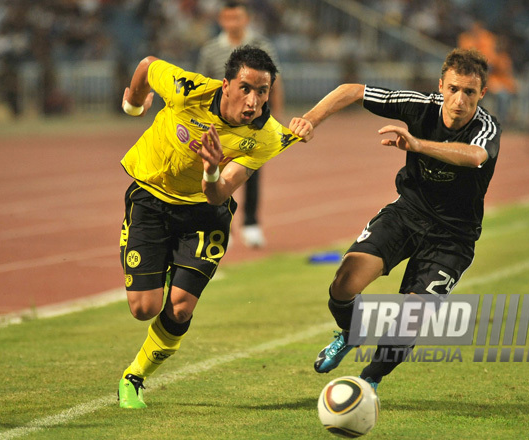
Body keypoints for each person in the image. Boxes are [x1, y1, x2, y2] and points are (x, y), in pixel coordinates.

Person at [289, 48, 501, 391]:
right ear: (441, 86)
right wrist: (310, 119)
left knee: (410, 319)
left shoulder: (486, 127)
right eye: (453, 89)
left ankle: (368, 381)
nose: (459, 100)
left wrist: (418, 145)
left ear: (482, 93)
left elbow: (476, 156)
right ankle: (350, 332)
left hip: (453, 236)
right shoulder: (418, 104)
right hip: (408, 213)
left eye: (469, 92)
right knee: (345, 282)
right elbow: (352, 90)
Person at [117, 45, 307, 409]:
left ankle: (134, 376)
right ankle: (164, 272)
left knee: (181, 308)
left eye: (263, 91)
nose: (253, 100)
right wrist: (134, 102)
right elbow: (146, 65)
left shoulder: (265, 136)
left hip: (205, 211)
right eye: (246, 88)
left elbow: (219, 194)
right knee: (143, 308)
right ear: (226, 85)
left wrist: (211, 169)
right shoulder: (187, 89)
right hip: (151, 197)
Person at [196, 0, 285, 248]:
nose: (233, 23)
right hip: (218, 122)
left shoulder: (261, 45)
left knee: (250, 172)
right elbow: (201, 85)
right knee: (214, 171)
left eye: (238, 18)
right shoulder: (210, 50)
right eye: (228, 18)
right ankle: (220, 225)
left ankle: (251, 223)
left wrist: (275, 118)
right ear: (221, 20)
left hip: (253, 120)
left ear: (246, 19)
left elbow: (275, 82)